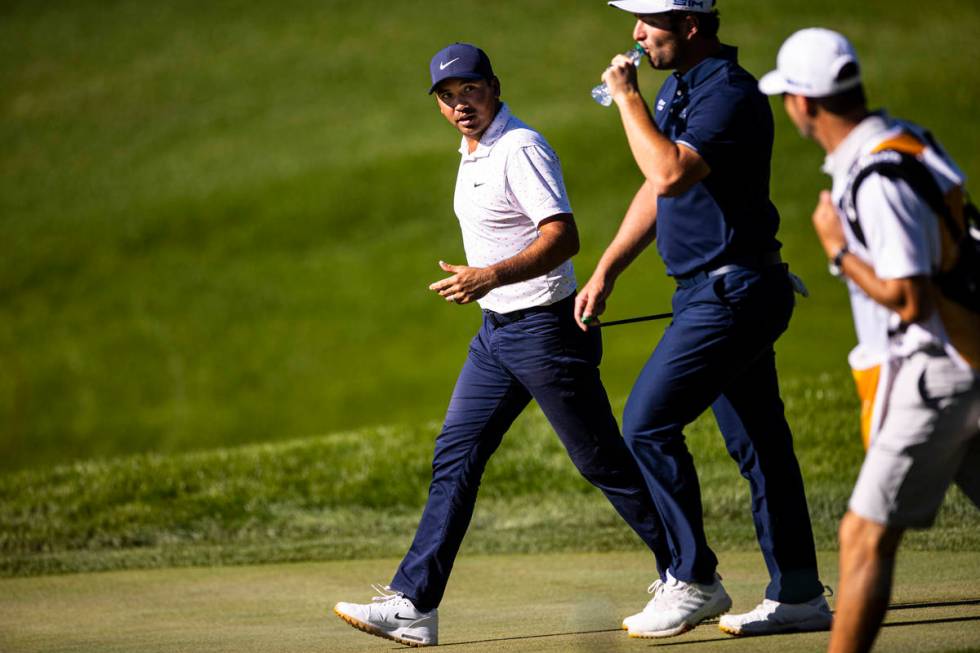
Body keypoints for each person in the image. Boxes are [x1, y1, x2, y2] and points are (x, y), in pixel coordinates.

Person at [333, 42, 672, 648]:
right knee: (454, 458)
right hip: (496, 335)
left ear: (493, 85)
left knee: (602, 462)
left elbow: (563, 238)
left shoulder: (520, 147)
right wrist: (489, 288)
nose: (459, 104)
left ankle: (688, 570)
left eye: (469, 89)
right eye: (446, 95)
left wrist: (488, 275)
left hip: (543, 330)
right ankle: (414, 604)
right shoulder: (472, 153)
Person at [573, 0, 832, 638]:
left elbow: (667, 169)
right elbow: (658, 188)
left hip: (734, 291)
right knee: (758, 444)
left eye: (649, 23)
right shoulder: (680, 89)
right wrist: (608, 267)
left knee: (646, 422)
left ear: (690, 26)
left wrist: (627, 98)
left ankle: (692, 578)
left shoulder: (730, 92)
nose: (635, 35)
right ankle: (798, 591)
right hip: (708, 291)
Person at [759, 28, 980, 653]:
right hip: (968, 359)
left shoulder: (876, 176)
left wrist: (836, 251)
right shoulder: (908, 141)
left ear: (803, 103)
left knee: (862, 536)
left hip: (937, 372)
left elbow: (909, 296)